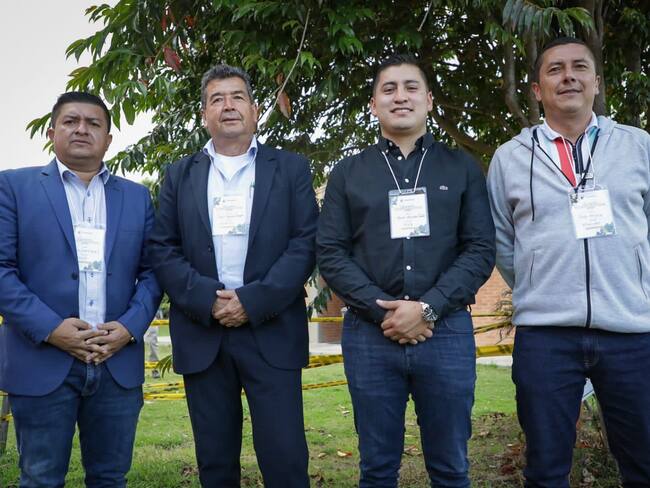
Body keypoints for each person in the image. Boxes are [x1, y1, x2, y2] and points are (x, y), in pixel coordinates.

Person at [317, 54, 495, 487]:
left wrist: (428, 308)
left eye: (411, 87)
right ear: (373, 105)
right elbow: (331, 253)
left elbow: (479, 249)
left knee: (451, 468)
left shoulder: (462, 168)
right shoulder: (348, 173)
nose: (401, 96)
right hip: (370, 335)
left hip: (447, 332)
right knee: (377, 469)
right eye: (389, 89)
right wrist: (384, 312)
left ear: (429, 100)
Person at [487, 37, 650, 486]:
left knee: (644, 463)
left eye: (579, 67)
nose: (568, 77)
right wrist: (541, 287)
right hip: (545, 336)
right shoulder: (509, 158)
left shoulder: (638, 147)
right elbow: (503, 242)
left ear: (596, 82)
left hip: (631, 333)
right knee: (545, 470)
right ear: (537, 90)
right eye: (555, 69)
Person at [148, 64, 318, 488]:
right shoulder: (179, 175)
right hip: (203, 332)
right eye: (217, 99)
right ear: (204, 113)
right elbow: (163, 248)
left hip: (272, 330)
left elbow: (305, 244)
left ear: (255, 110)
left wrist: (252, 301)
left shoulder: (291, 169)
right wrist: (208, 299)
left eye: (237, 97)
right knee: (215, 462)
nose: (228, 106)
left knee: (285, 460)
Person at [0, 91, 162, 487]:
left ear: (108, 139)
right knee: (40, 478)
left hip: (116, 363)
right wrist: (52, 329)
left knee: (111, 478)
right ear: (52, 132)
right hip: (41, 360)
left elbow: (154, 272)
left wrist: (128, 328)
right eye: (71, 121)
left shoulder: (137, 197)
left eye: (93, 123)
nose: (81, 129)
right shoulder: (13, 187)